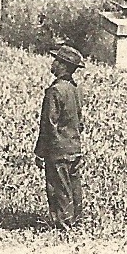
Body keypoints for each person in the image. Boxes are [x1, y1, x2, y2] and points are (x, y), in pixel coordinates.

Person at [34, 44, 85, 229]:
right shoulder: (75, 89)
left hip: (58, 149)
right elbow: (80, 122)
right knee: (73, 187)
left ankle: (63, 227)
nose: (53, 64)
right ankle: (77, 222)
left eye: (56, 61)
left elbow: (48, 125)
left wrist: (40, 152)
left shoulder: (55, 91)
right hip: (74, 147)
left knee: (58, 189)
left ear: (63, 65)